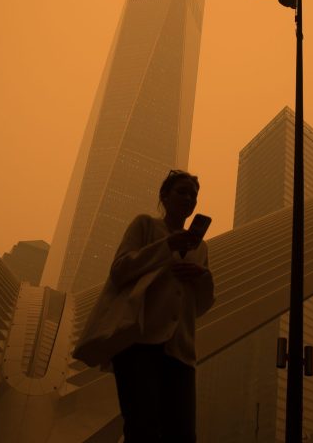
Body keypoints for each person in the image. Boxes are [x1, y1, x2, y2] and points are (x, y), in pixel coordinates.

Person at [73, 169, 214, 442]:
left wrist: (203, 278)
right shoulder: (145, 226)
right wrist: (167, 246)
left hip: (181, 352)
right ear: (164, 196)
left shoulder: (200, 247)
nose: (189, 199)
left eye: (193, 195)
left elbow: (200, 306)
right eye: (182, 192)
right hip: (139, 343)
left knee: (183, 434)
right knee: (141, 427)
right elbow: (120, 270)